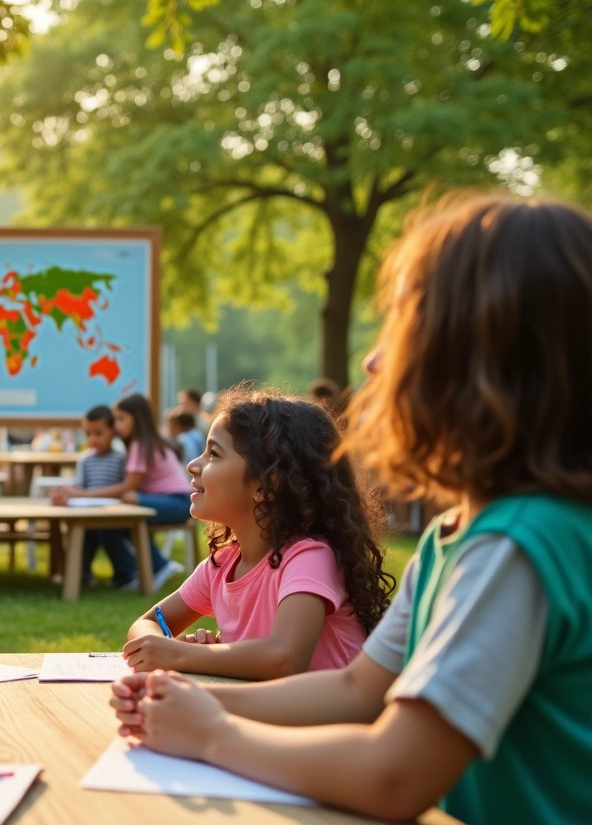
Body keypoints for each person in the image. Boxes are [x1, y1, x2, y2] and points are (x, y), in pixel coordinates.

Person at [109, 194, 592, 825]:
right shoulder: (458, 535)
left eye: (404, 327)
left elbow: (394, 776)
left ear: (481, 363)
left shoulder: (520, 546)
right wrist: (183, 701)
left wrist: (211, 735)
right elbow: (358, 690)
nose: (371, 361)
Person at [122, 386, 393, 679]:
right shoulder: (222, 564)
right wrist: (170, 646)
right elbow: (145, 625)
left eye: (213, 453)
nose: (193, 464)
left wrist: (184, 654)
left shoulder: (309, 558)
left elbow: (284, 659)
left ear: (266, 485)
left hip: (325, 722)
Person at [54, 393, 185, 590]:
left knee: (127, 503)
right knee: (118, 518)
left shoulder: (140, 446)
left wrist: (84, 495)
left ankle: (159, 567)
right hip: (174, 501)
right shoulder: (141, 445)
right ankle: (139, 569)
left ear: (137, 419)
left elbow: (128, 487)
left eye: (121, 419)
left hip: (177, 503)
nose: (116, 425)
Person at [68, 404, 139, 590]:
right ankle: (81, 576)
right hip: (87, 513)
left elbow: (123, 486)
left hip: (113, 514)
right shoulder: (85, 459)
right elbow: (79, 487)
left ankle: (126, 576)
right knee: (83, 536)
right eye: (88, 434)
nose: (93, 439)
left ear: (112, 432)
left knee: (111, 535)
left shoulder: (120, 458)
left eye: (99, 434)